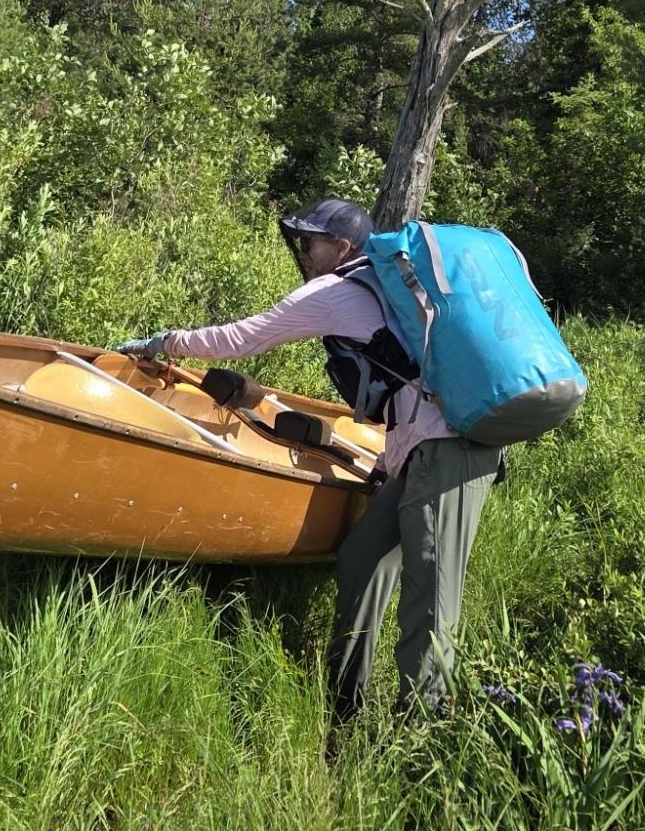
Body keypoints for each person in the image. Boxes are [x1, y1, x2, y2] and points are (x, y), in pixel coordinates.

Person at [117, 198, 505, 720]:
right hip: (420, 447)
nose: (303, 251)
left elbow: (245, 337)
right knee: (362, 558)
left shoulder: (338, 291)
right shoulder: (384, 288)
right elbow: (411, 387)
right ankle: (344, 707)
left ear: (342, 247)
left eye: (311, 242)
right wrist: (391, 459)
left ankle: (423, 734)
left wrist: (167, 342)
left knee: (430, 595)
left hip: (451, 451)